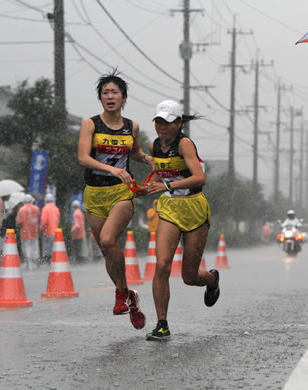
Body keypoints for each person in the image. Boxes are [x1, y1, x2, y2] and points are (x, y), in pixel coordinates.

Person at [137, 99, 219, 341]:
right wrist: (145, 188)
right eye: (159, 121)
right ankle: (162, 324)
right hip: (170, 207)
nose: (162, 127)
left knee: (189, 276)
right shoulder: (154, 147)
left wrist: (166, 185)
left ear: (179, 123)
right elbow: (160, 174)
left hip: (194, 208)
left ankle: (212, 279)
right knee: (161, 265)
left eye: (168, 122)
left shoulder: (184, 144)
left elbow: (199, 177)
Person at [77, 70, 151, 330]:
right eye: (105, 93)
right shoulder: (91, 124)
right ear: (100, 98)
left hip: (122, 191)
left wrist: (148, 158)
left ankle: (120, 294)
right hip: (94, 193)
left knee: (109, 239)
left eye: (114, 92)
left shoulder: (133, 127)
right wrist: (111, 168)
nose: (110, 97)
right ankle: (127, 294)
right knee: (107, 249)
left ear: (124, 98)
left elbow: (136, 151)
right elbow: (83, 158)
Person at [16, 194, 40, 271]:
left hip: (25, 232)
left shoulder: (21, 210)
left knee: (27, 248)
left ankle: (29, 264)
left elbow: (19, 222)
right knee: (34, 248)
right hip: (34, 232)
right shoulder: (36, 208)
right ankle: (34, 264)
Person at [40, 193, 60, 264]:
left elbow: (44, 221)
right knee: (53, 247)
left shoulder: (45, 209)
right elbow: (58, 220)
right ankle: (54, 260)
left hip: (48, 232)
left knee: (47, 248)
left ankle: (48, 261)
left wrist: (42, 229)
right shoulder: (56, 209)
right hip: (56, 232)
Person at [71, 200, 87, 264]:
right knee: (80, 249)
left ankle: (78, 261)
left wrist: (72, 230)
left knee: (76, 249)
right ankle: (81, 261)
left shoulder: (75, 214)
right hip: (82, 233)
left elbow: (77, 225)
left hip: (77, 235)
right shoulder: (81, 213)